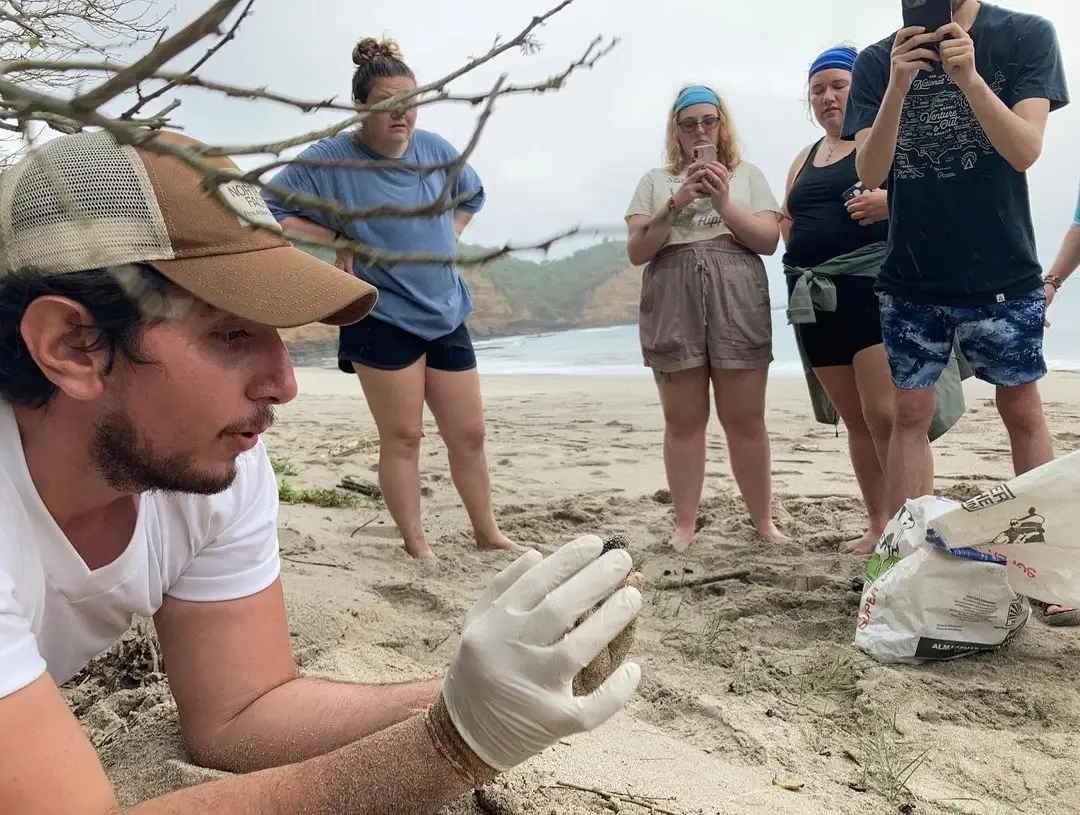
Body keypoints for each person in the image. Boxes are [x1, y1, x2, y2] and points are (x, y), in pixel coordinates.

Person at [0, 128, 646, 814]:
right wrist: (455, 744)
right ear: (74, 346)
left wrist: (475, 691)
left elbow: (239, 712)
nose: (283, 381)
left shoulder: (212, 465)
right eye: (231, 332)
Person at [843, 0, 1077, 624]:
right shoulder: (875, 62)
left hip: (1003, 269)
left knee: (1021, 409)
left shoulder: (1026, 35)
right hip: (911, 276)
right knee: (907, 415)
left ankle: (1049, 569)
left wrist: (970, 79)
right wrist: (897, 84)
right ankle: (902, 559)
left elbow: (1025, 149)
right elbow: (871, 168)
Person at [263, 37, 519, 560]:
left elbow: (472, 192)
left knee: (469, 435)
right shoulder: (332, 158)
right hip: (379, 314)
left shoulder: (436, 149)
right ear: (362, 106)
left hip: (445, 310)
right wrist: (336, 240)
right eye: (387, 102)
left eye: (411, 100)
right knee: (403, 437)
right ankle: (416, 543)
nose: (402, 114)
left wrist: (452, 230)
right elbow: (267, 205)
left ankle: (488, 533)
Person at [625, 84, 788, 553]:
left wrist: (722, 203)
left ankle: (763, 521)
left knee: (746, 419)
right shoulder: (655, 180)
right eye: (689, 122)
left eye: (708, 121)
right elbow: (638, 251)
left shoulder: (747, 174)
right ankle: (684, 525)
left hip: (736, 291)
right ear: (675, 130)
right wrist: (675, 202)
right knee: (683, 420)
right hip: (672, 292)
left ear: (722, 124)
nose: (699, 130)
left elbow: (767, 240)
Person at [779, 45, 894, 555]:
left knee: (886, 416)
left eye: (838, 85)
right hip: (815, 302)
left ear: (861, 87)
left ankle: (903, 522)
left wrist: (887, 201)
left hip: (872, 291)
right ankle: (876, 525)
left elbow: (929, 200)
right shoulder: (803, 157)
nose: (827, 97)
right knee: (855, 421)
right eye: (818, 89)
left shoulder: (881, 143)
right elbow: (788, 219)